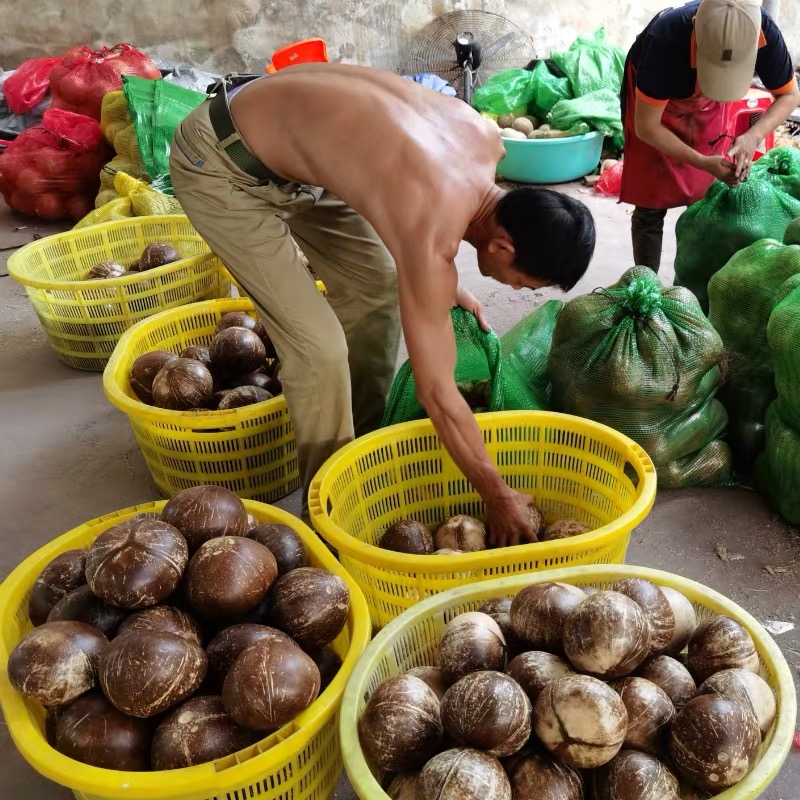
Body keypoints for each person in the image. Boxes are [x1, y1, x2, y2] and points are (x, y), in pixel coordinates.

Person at [170, 63, 596, 546]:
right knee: (319, 350)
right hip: (222, 163)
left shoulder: (484, 140)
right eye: (524, 283)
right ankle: (329, 505)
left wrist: (439, 280)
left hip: (300, 166)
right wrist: (495, 492)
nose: (517, 292)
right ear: (501, 247)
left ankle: (363, 446)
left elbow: (404, 194)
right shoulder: (432, 231)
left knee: (377, 289)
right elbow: (438, 393)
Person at [621, 0, 799, 272]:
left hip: (708, 108)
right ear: (696, 34)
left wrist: (753, 136)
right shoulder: (664, 42)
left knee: (708, 197)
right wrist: (702, 161)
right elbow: (648, 127)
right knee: (650, 203)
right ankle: (647, 288)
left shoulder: (763, 31)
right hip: (655, 110)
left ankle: (697, 281)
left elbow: (789, 95)